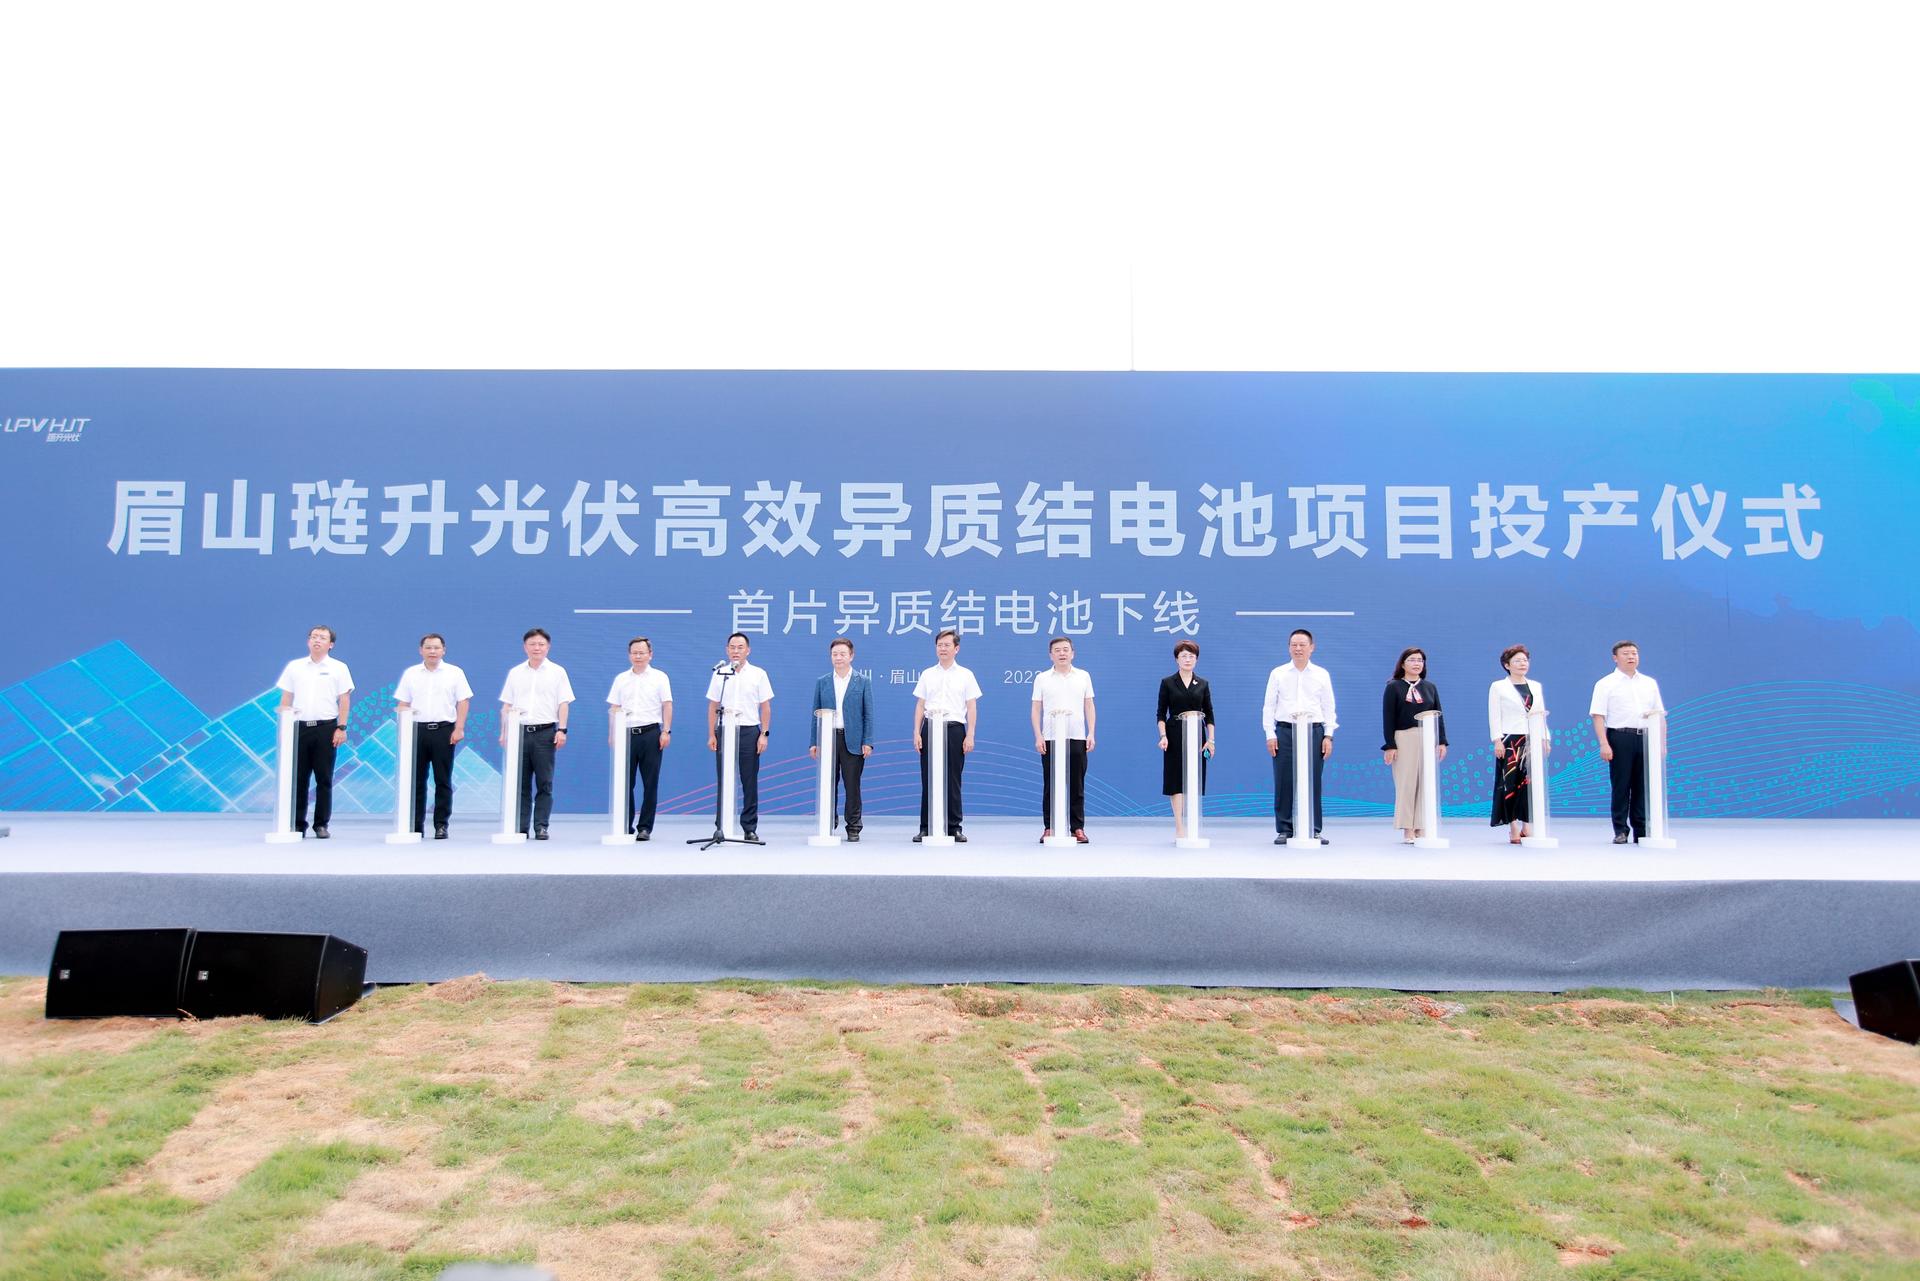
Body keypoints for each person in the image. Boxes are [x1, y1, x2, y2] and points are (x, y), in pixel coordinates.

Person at [275, 625, 353, 839]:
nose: (317, 640)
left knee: (324, 778)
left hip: (326, 728)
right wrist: (284, 726)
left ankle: (321, 824)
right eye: (314, 637)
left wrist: (341, 727)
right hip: (299, 728)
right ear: (308, 641)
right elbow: (286, 698)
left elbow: (344, 699)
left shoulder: (339, 668)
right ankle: (297, 823)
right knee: (299, 779)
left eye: (323, 638)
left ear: (331, 644)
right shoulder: (295, 667)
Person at [1262, 628, 1337, 845]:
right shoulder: (1278, 673)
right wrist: (1270, 734)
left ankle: (1314, 829)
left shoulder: (1321, 674)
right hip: (1285, 731)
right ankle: (1285, 829)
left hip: (1314, 732)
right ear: (1288, 648)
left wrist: (1328, 735)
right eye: (1294, 645)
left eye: (1302, 645)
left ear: (1312, 648)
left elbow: (1329, 706)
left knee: (1313, 780)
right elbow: (1269, 706)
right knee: (1283, 780)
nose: (1298, 648)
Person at [393, 633, 471, 839]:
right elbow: (403, 703)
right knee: (416, 781)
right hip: (416, 731)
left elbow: (463, 701)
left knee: (442, 780)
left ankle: (441, 825)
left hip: (444, 730)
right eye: (428, 647)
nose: (432, 651)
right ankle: (415, 825)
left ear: (443, 650)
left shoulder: (454, 673)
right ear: (421, 650)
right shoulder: (411, 673)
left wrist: (459, 728)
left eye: (436, 648)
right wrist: (402, 729)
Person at [498, 627, 574, 840]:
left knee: (544, 782)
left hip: (545, 733)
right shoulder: (515, 673)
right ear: (525, 647)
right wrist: (504, 732)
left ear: (548, 647)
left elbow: (563, 703)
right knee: (520, 783)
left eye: (541, 644)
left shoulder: (557, 672)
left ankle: (541, 826)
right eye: (532, 644)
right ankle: (520, 826)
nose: (537, 648)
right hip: (519, 733)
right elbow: (506, 705)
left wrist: (562, 730)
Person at [1589, 640, 1667, 844]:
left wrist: (1661, 743)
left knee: (1643, 786)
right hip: (1619, 737)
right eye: (1626, 653)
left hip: (1646, 737)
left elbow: (1659, 714)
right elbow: (1598, 715)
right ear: (1615, 658)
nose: (1631, 656)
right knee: (1621, 785)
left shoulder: (1649, 683)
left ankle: (1642, 830)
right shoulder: (1605, 683)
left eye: (1634, 653)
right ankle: (1621, 829)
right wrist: (1604, 743)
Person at [911, 629, 981, 843]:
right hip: (930, 727)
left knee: (953, 779)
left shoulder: (966, 674)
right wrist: (916, 732)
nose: (942, 649)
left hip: (954, 729)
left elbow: (971, 706)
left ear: (956, 648)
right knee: (928, 777)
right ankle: (926, 827)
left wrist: (970, 734)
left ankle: (954, 827)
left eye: (947, 645)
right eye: (939, 645)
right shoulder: (927, 674)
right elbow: (920, 705)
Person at [705, 632, 773, 841]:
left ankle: (749, 827)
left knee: (749, 780)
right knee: (723, 779)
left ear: (748, 650)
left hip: (749, 731)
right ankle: (721, 826)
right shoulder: (720, 673)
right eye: (732, 647)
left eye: (740, 647)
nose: (736, 651)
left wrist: (764, 734)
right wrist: (712, 734)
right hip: (725, 730)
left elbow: (765, 707)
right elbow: (713, 705)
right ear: (727, 650)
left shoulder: (758, 674)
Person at [606, 636, 672, 841]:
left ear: (650, 655)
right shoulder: (621, 679)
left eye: (642, 652)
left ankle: (645, 827)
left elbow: (667, 705)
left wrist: (666, 731)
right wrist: (612, 734)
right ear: (629, 655)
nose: (638, 656)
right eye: (634, 653)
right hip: (626, 734)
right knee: (625, 783)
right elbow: (614, 707)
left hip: (651, 734)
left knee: (650, 783)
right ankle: (625, 824)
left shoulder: (660, 677)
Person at [1031, 636, 1096, 843]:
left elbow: (1089, 705)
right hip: (1050, 737)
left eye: (1066, 649)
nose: (1062, 653)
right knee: (1050, 784)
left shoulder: (1083, 676)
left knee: (1077, 784)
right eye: (1057, 650)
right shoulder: (1042, 678)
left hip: (1076, 736)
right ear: (1050, 655)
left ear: (1072, 653)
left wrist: (1091, 733)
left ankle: (1077, 828)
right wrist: (1038, 735)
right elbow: (1036, 709)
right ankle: (1049, 827)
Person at [809, 637, 874, 841]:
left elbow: (868, 714)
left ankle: (853, 826)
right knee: (828, 783)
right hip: (828, 739)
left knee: (852, 785)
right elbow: (815, 714)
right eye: (835, 654)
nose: (838, 658)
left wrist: (867, 741)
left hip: (852, 740)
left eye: (842, 654)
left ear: (851, 656)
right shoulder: (823, 682)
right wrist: (814, 741)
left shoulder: (862, 681)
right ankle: (828, 821)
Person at [1381, 647, 1447, 844]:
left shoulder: (1430, 687)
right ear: (1403, 664)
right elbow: (1388, 717)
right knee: (1406, 784)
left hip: (1427, 738)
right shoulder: (1393, 687)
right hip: (1404, 738)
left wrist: (1442, 741)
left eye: (1420, 660)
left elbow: (1438, 715)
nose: (1417, 663)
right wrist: (1390, 745)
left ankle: (1421, 826)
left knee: (1425, 783)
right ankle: (1408, 829)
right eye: (1412, 660)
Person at [1156, 640, 1216, 840]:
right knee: (1176, 781)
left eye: (1191, 656)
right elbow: (1161, 713)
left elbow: (1209, 714)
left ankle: (1193, 823)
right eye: (1184, 656)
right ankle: (1179, 826)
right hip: (1174, 735)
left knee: (1194, 779)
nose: (1188, 659)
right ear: (1177, 659)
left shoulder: (1203, 684)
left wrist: (1211, 740)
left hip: (1197, 736)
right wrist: (1163, 736)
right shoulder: (1167, 682)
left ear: (1196, 659)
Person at [1487, 643, 1546, 843]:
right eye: (1517, 661)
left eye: (1525, 660)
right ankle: (1512, 826)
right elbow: (1494, 715)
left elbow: (1541, 713)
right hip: (1510, 739)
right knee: (1509, 783)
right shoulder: (1498, 686)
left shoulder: (1536, 686)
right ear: (1507, 665)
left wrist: (1545, 738)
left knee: (1529, 783)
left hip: (1532, 739)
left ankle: (1527, 825)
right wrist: (1497, 740)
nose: (1523, 664)